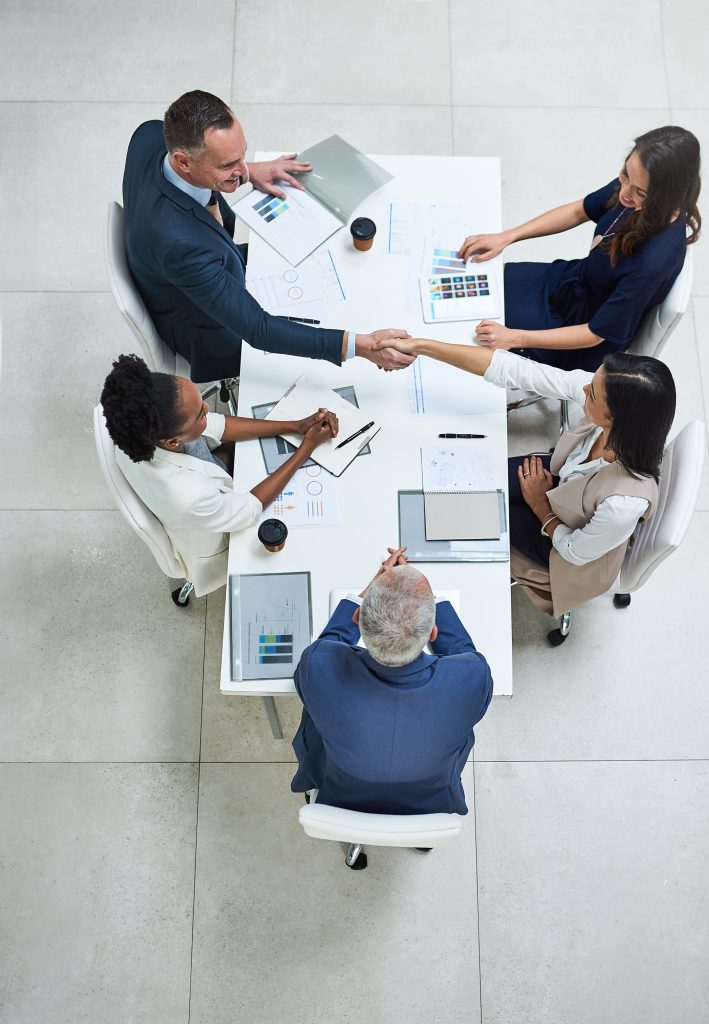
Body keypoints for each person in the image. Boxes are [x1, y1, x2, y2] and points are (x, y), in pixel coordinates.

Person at [371, 336, 676, 618]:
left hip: (563, 540)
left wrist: (539, 506)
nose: (583, 389)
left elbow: (573, 553)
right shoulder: (606, 393)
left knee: (468, 517)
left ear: (616, 419)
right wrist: (421, 346)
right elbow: (515, 369)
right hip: (563, 488)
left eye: (591, 393)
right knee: (468, 489)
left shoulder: (623, 503)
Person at [122, 89, 414, 382]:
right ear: (184, 162)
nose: (241, 169)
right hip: (210, 332)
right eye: (227, 165)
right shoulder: (179, 246)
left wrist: (249, 171)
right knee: (321, 351)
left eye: (242, 156)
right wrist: (359, 347)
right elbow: (259, 330)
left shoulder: (149, 134)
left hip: (210, 262)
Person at [458, 125, 701, 372]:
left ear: (666, 197)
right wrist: (508, 237)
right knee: (480, 287)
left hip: (582, 333)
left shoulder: (652, 261)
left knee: (469, 331)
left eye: (639, 192)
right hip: (570, 283)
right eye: (625, 174)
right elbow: (578, 211)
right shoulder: (634, 185)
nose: (624, 195)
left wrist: (515, 337)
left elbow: (596, 333)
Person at [100, 353, 339, 597]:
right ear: (172, 441)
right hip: (218, 530)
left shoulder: (146, 430)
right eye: (200, 415)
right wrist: (306, 448)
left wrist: (295, 426)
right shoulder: (189, 496)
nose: (207, 407)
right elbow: (249, 508)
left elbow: (219, 425)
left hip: (213, 478)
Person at [291, 547, 493, 814]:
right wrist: (424, 596)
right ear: (434, 632)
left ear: (356, 618)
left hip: (340, 796)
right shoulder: (471, 679)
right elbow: (463, 652)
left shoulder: (317, 666)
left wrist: (371, 593)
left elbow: (330, 643)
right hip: (432, 804)